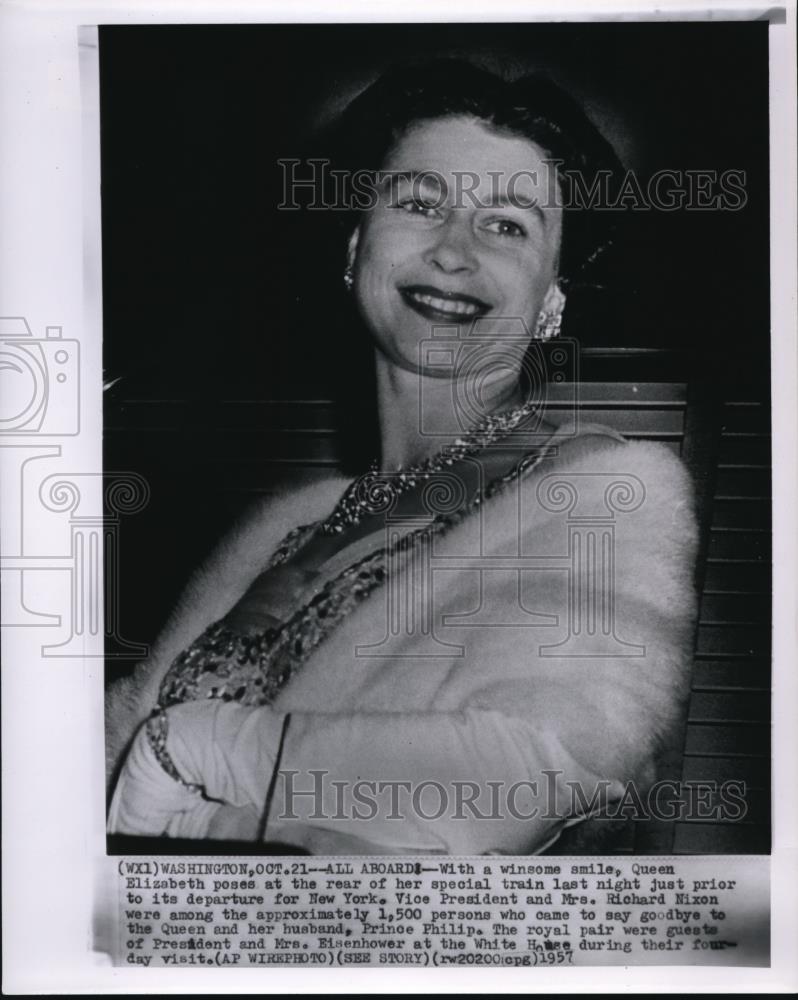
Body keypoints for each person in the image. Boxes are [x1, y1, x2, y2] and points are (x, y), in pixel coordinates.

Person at [106, 59, 698, 854]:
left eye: (508, 224)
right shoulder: (286, 522)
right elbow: (107, 746)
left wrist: (198, 749)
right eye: (421, 203)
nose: (455, 250)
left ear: (553, 293)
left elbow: (530, 779)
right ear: (355, 247)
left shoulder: (606, 489)